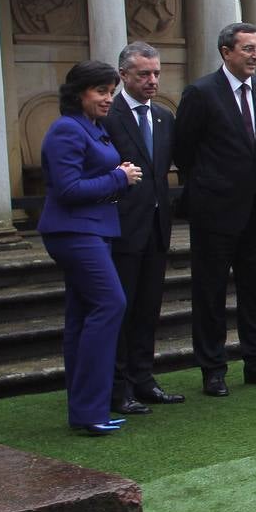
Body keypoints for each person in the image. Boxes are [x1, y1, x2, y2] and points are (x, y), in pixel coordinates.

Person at [174, 22, 256, 396]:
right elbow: (183, 151)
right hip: (214, 210)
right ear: (226, 52)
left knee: (254, 289)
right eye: (248, 49)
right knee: (209, 292)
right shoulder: (201, 93)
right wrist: (214, 184)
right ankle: (212, 367)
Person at [39, 61, 143, 435]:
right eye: (101, 91)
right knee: (110, 303)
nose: (108, 99)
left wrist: (118, 176)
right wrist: (118, 177)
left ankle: (87, 411)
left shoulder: (91, 128)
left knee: (82, 316)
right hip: (73, 232)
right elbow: (67, 191)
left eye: (111, 92)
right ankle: (91, 409)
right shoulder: (67, 129)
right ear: (79, 93)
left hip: (93, 231)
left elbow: (88, 178)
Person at [104, 42, 183, 415]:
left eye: (156, 73)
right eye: (143, 74)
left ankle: (143, 378)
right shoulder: (109, 116)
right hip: (120, 230)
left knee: (149, 308)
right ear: (123, 76)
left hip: (156, 228)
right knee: (122, 308)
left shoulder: (165, 118)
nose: (152, 81)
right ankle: (117, 388)